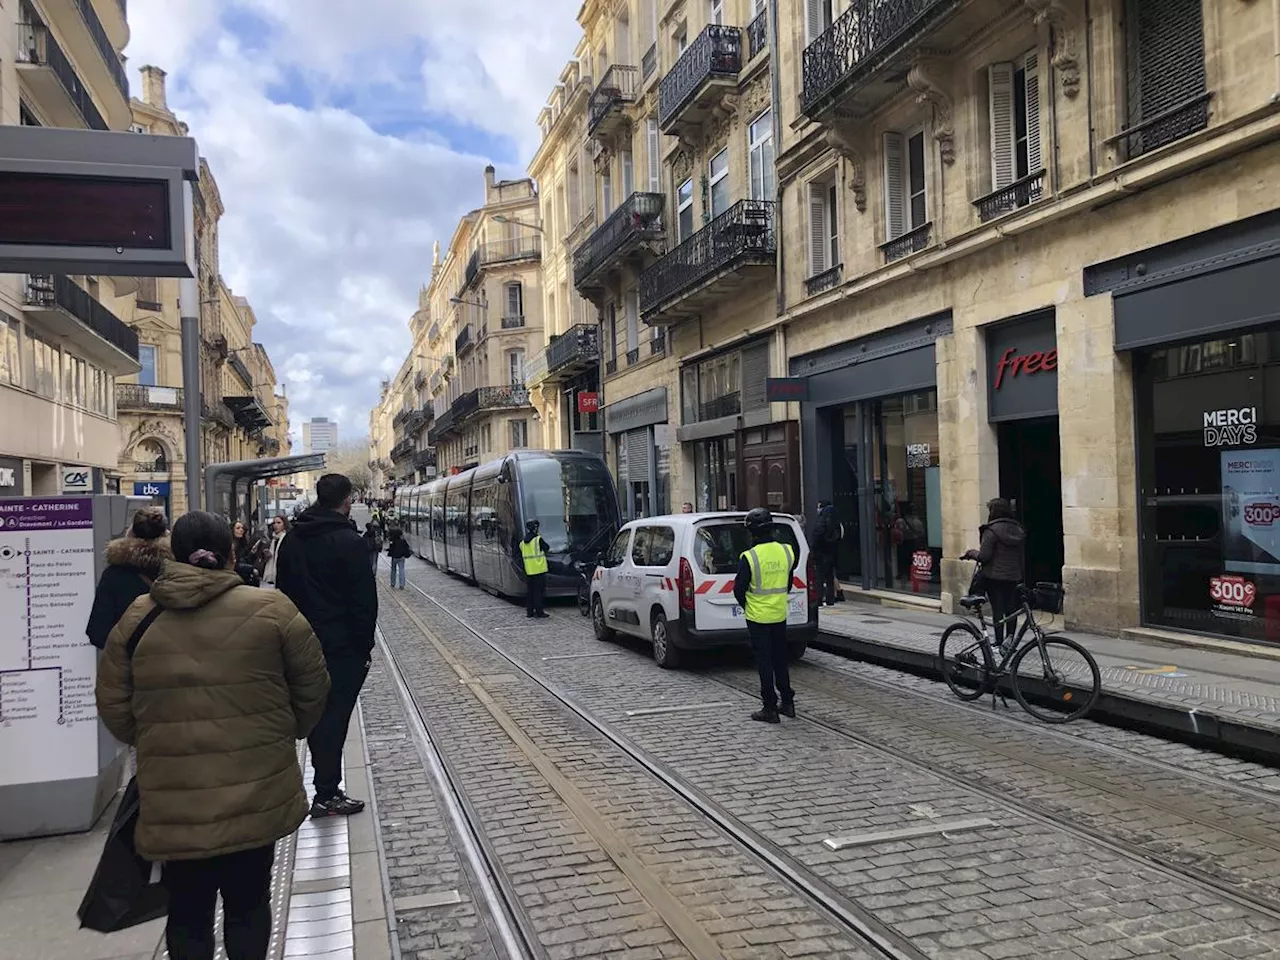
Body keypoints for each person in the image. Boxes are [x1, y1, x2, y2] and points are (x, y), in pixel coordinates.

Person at [95, 510, 330, 960]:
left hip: (175, 801)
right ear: (231, 553)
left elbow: (114, 707)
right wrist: (284, 733)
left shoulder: (137, 619)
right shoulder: (272, 609)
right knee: (248, 904)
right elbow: (313, 689)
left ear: (173, 555)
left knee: (186, 911)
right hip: (255, 792)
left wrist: (158, 742)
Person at [276, 473, 377, 818]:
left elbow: (283, 592)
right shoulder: (349, 542)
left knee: (318, 715)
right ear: (346, 500)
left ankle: (323, 787)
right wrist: (364, 647)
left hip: (301, 642)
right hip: (342, 646)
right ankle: (327, 792)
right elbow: (364, 601)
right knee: (334, 717)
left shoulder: (292, 539)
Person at [734, 507, 798, 724]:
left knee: (764, 662)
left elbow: (738, 589)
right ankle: (787, 702)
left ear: (751, 532)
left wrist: (749, 605)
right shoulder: (787, 551)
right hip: (779, 614)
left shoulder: (749, 557)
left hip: (757, 617)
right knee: (780, 659)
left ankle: (769, 707)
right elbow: (788, 583)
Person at [86, 507, 171, 650]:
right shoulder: (177, 570)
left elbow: (97, 633)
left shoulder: (113, 575)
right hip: (171, 662)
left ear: (130, 532)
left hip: (130, 666)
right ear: (166, 534)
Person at [962, 497, 1027, 651]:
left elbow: (984, 556)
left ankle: (998, 642)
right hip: (1013, 576)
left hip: (994, 576)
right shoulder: (1019, 530)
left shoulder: (991, 530)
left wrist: (971, 553)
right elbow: (1021, 557)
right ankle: (1010, 640)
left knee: (998, 609)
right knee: (1011, 609)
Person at [811, 499, 841, 607]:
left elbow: (817, 535)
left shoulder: (822, 519)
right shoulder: (836, 519)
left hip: (821, 553)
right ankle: (830, 599)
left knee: (819, 577)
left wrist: (814, 549)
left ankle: (819, 599)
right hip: (832, 553)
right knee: (829, 577)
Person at [520, 519, 550, 619]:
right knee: (539, 592)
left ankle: (529, 612)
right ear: (535, 528)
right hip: (539, 570)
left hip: (529, 571)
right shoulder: (538, 540)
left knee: (530, 592)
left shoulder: (522, 543)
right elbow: (547, 548)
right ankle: (539, 612)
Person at [260, 515, 288, 589]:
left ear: (284, 524)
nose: (276, 525)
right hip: (275, 573)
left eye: (279, 523)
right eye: (274, 523)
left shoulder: (287, 538)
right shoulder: (273, 539)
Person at [230, 520, 260, 587]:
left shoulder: (243, 544)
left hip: (244, 577)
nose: (241, 530)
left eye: (242, 528)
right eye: (238, 528)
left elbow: (246, 560)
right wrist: (251, 569)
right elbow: (234, 564)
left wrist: (252, 553)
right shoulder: (230, 545)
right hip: (236, 577)